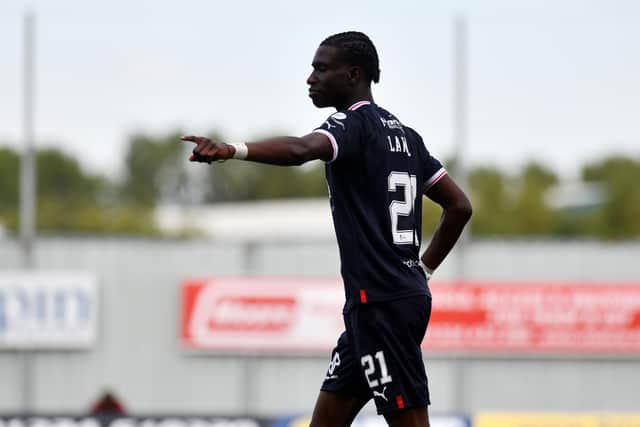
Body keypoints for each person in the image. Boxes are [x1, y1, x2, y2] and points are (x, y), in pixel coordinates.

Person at [181, 31, 472, 427]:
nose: (310, 78)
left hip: (383, 306)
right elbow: (459, 206)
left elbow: (302, 150)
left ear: (353, 74)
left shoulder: (352, 124)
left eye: (321, 68)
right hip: (377, 305)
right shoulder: (408, 137)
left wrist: (234, 150)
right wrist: (423, 270)